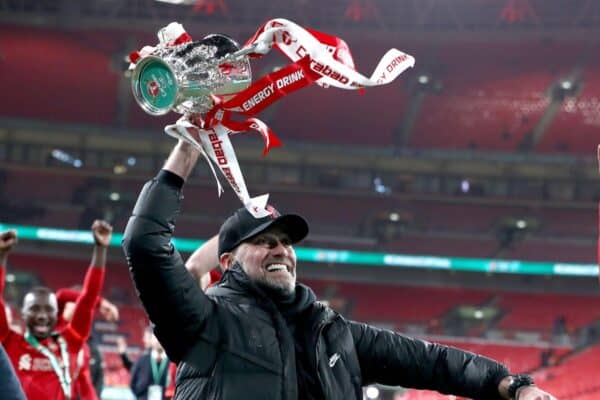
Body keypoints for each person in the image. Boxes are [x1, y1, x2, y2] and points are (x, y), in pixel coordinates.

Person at [122, 136, 556, 400]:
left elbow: (433, 363)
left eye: (285, 243)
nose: (280, 251)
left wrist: (509, 383)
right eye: (263, 243)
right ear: (228, 261)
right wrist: (185, 152)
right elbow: (144, 243)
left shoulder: (332, 330)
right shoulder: (204, 320)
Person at [0, 221, 112, 400]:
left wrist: (100, 250)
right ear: (22, 314)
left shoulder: (70, 342)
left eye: (49, 310)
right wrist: (1, 256)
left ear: (56, 313)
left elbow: (88, 298)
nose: (43, 316)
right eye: (35, 309)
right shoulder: (9, 343)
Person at [130, 331, 171, 400]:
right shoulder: (141, 360)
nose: (159, 340)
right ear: (151, 340)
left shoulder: (173, 362)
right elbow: (133, 383)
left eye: (162, 336)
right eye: (156, 337)